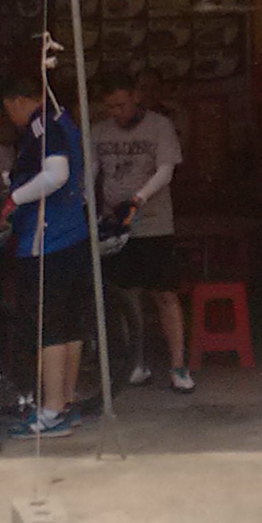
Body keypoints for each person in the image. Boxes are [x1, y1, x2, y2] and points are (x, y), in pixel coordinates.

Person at [0, 60, 92, 438]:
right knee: (69, 325)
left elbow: (56, 174)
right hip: (74, 235)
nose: (12, 119)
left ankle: (50, 412)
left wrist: (14, 199)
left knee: (48, 327)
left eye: (9, 111)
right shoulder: (65, 121)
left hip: (48, 240)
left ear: (18, 102)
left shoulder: (42, 126)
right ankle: (66, 402)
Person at [91, 78, 190, 394]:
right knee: (127, 295)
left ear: (135, 97)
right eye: (110, 106)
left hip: (154, 223)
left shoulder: (160, 126)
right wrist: (89, 205)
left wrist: (139, 198)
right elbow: (91, 170)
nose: (116, 112)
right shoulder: (99, 131)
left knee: (165, 294)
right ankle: (136, 361)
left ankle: (178, 365)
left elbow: (166, 170)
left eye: (121, 104)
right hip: (116, 227)